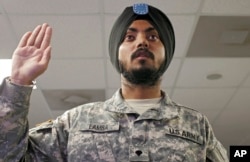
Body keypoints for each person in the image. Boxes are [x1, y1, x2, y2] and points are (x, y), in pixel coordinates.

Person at [0, 3, 229, 162]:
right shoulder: (75, 122)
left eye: (153, 36)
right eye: (130, 37)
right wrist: (18, 84)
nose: (142, 42)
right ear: (116, 53)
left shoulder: (196, 125)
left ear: (165, 53)